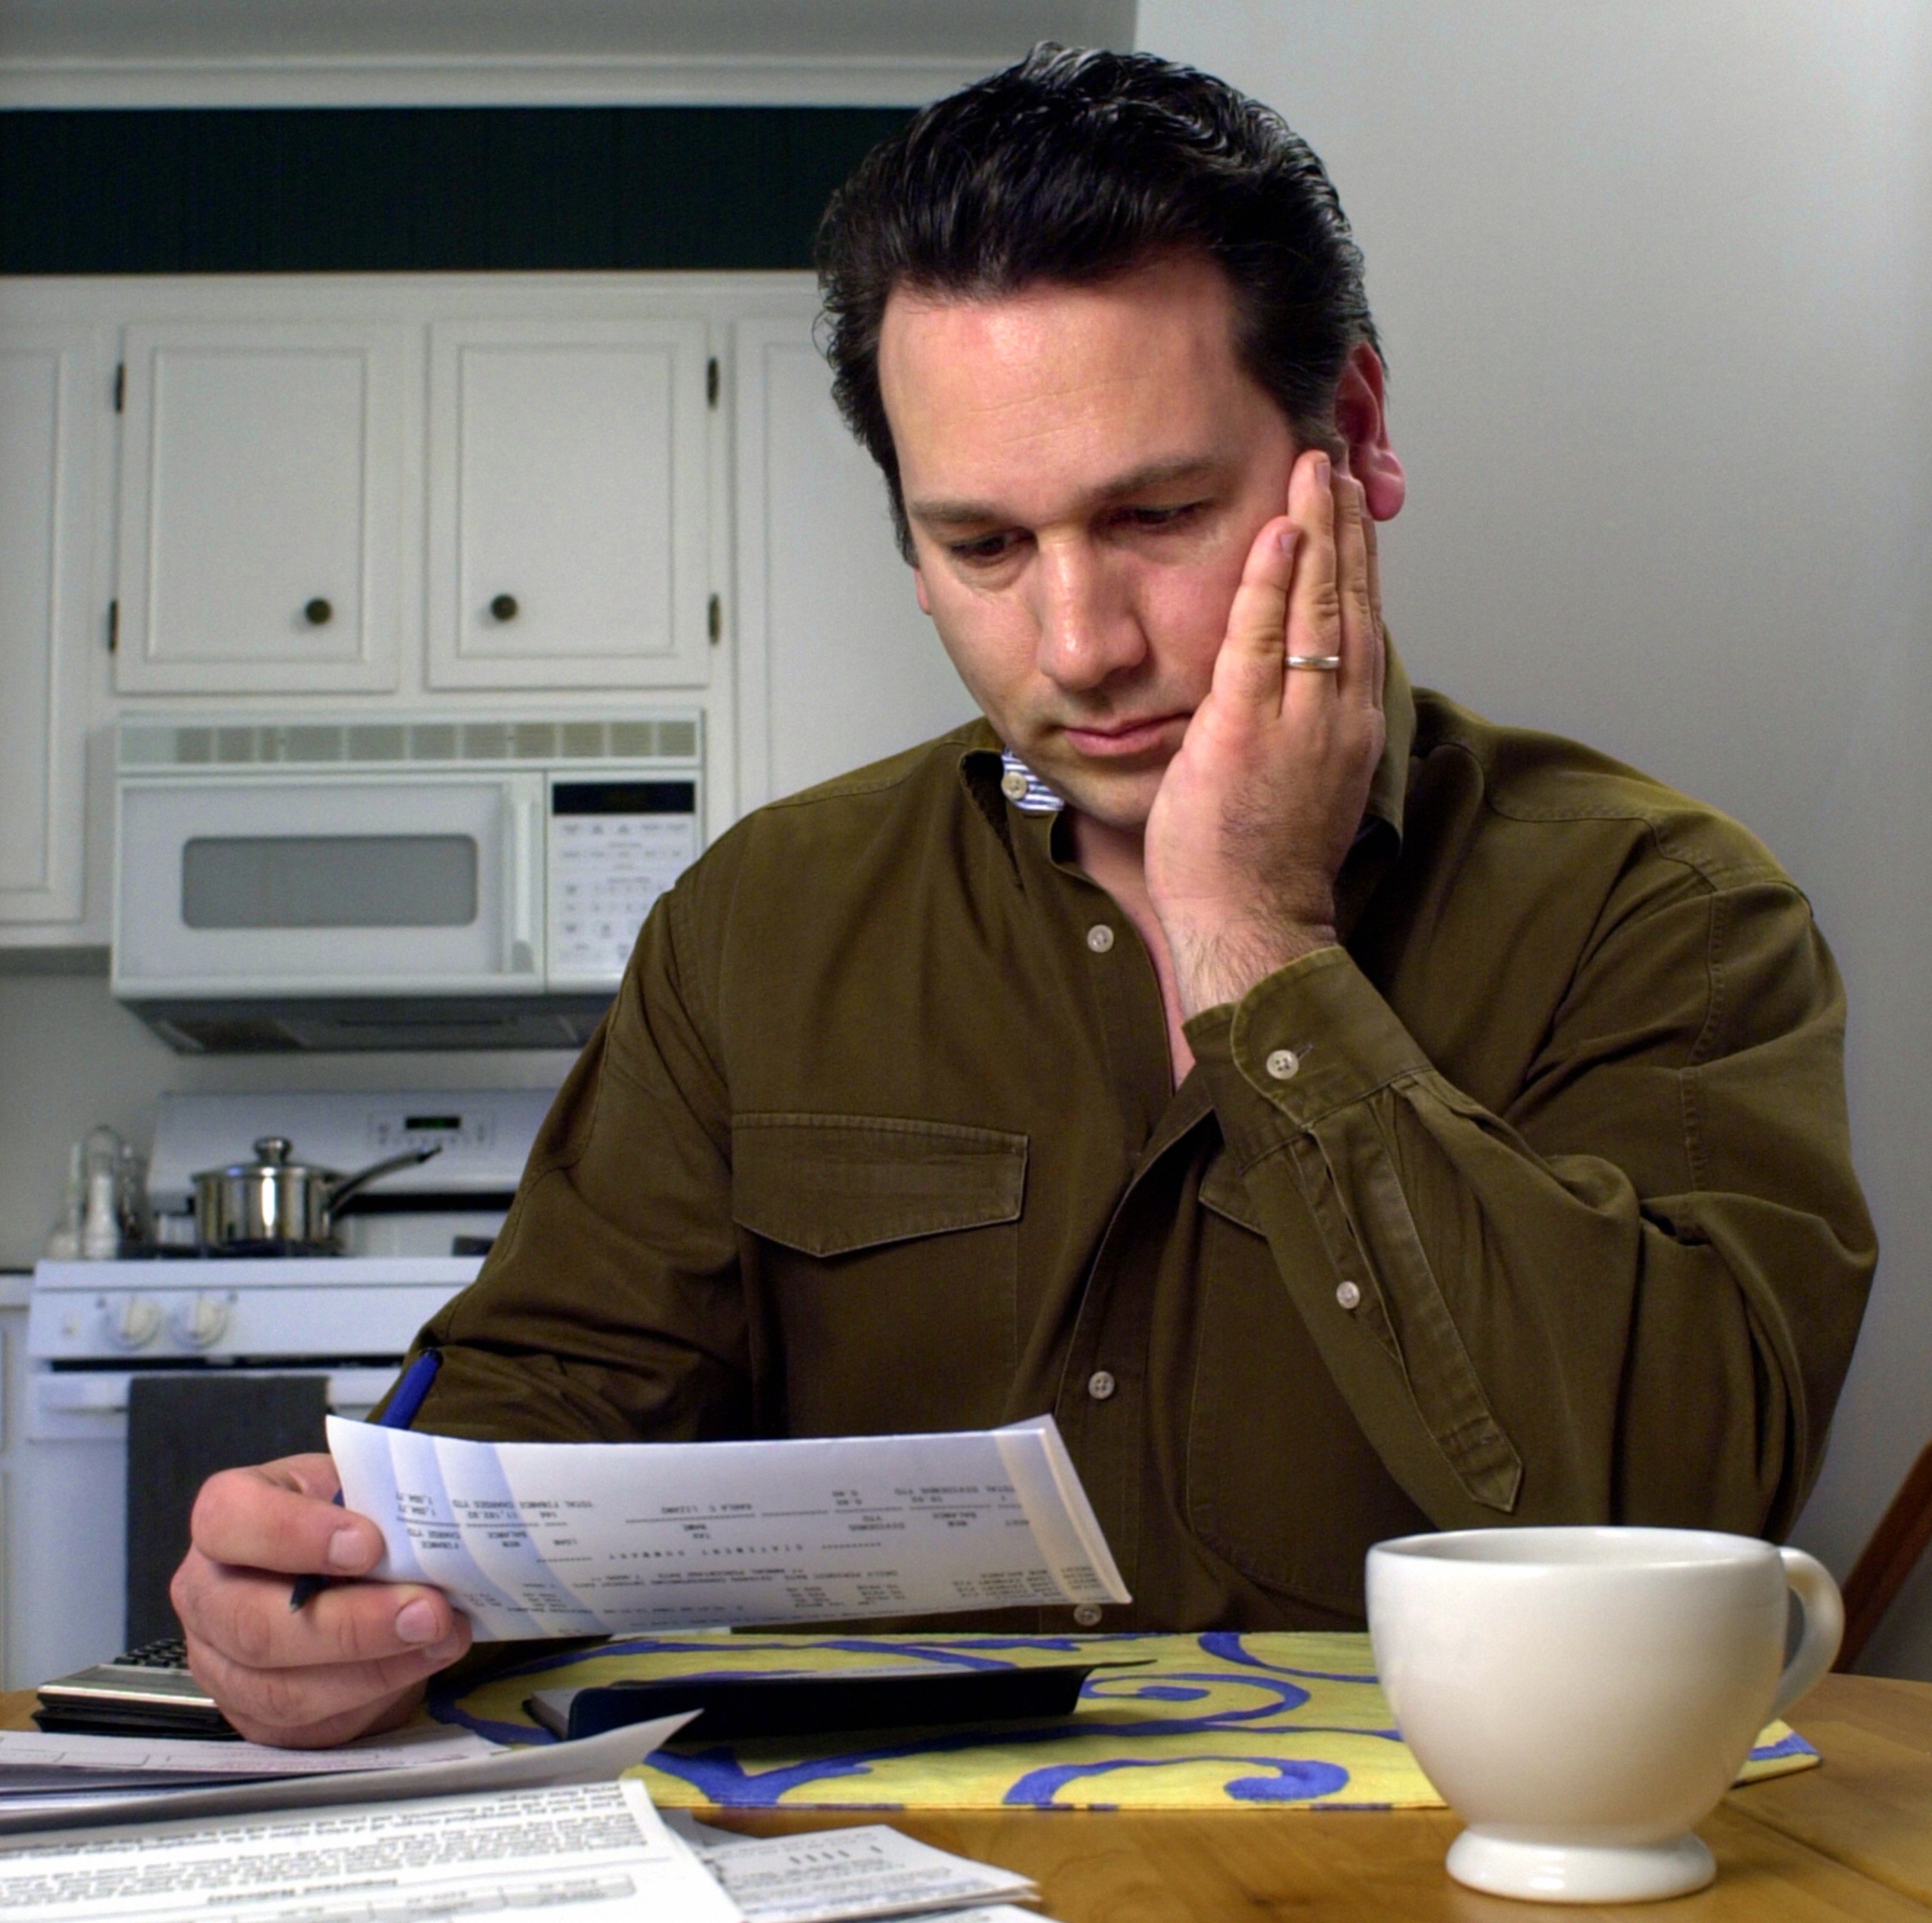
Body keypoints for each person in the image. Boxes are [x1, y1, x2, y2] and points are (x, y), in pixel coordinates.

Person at [171, 45, 1875, 1748]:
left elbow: (1684, 1508)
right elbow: (535, 1424)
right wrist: (335, 1582)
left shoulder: (1665, 913)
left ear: (1347, 437)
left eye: (1155, 512)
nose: (1078, 648)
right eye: (981, 546)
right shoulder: (761, 921)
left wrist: (1256, 943)